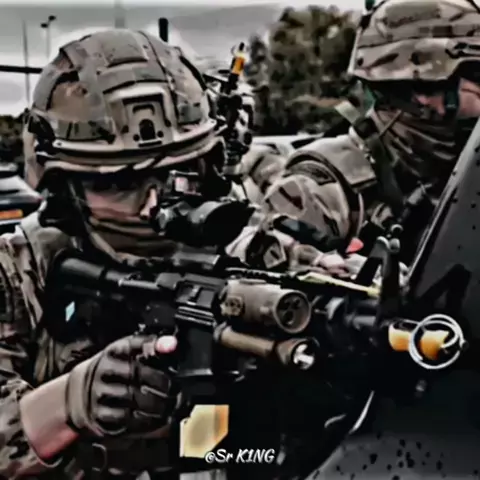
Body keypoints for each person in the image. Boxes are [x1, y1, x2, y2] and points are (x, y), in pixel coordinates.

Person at [0, 28, 352, 479]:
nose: (154, 204)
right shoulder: (20, 271)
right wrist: (68, 403)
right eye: (118, 183)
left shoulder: (239, 246)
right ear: (64, 185)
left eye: (179, 173)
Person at [244, 0, 480, 262]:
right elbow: (270, 279)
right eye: (478, 75)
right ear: (422, 90)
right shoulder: (323, 191)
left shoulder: (466, 164)